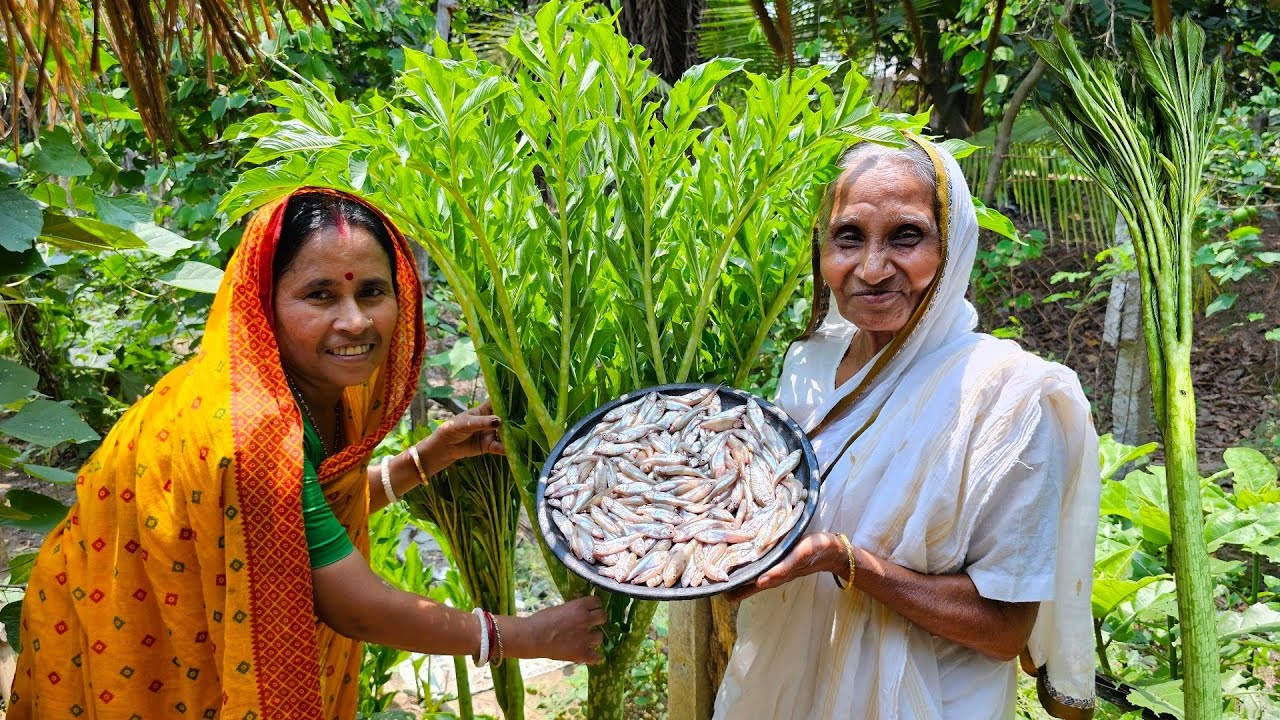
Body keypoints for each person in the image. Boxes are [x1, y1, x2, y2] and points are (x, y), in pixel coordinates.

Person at [10, 189, 605, 719]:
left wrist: (421, 462)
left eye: (373, 292)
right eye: (319, 295)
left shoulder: (300, 394)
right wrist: (525, 635)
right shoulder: (253, 435)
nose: (354, 321)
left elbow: (281, 529)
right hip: (132, 646)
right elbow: (355, 607)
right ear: (263, 304)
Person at [714, 138, 1101, 719]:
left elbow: (1002, 628)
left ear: (953, 246)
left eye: (906, 236)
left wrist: (844, 562)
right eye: (848, 237)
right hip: (788, 686)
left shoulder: (1007, 398)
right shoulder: (810, 365)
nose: (871, 269)